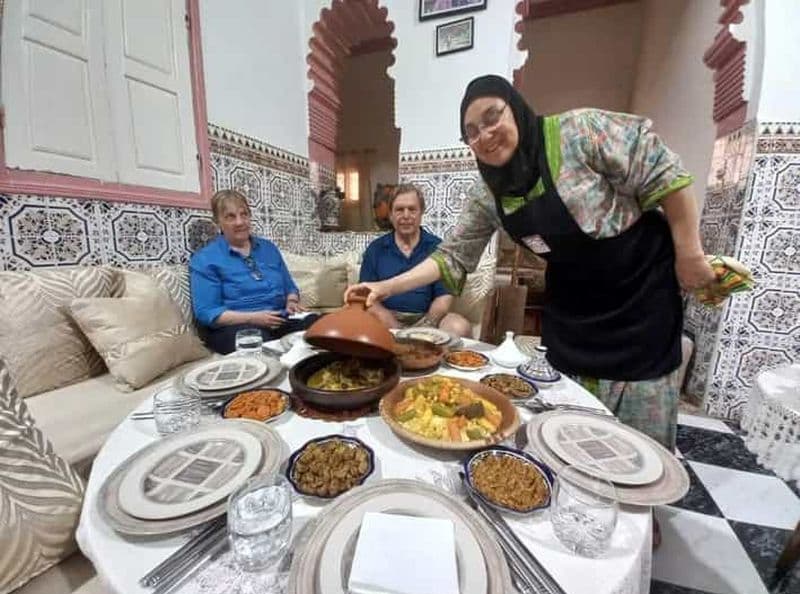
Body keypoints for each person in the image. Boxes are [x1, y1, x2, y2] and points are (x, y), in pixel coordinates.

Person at [346, 75, 716, 454]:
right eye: (472, 132)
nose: (485, 135)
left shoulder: (578, 132)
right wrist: (384, 288)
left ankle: (638, 507)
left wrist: (690, 254)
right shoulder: (488, 192)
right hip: (572, 312)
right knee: (569, 437)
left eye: (493, 118)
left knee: (638, 449)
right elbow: (453, 256)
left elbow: (664, 172)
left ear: (516, 108)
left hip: (639, 302)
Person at [190, 189, 318, 354]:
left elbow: (290, 287)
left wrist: (292, 302)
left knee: (321, 326)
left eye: (244, 215)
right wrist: (254, 318)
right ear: (217, 221)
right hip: (235, 327)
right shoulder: (205, 259)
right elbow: (208, 313)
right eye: (230, 217)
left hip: (279, 320)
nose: (239, 222)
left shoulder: (268, 249)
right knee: (261, 345)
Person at [359, 184, 472, 338]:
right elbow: (367, 296)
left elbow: (443, 298)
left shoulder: (438, 247)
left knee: (459, 326)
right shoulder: (375, 248)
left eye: (412, 209)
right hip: (385, 319)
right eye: (399, 210)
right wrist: (393, 326)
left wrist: (425, 328)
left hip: (426, 318)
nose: (406, 215)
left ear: (421, 213)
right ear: (391, 214)